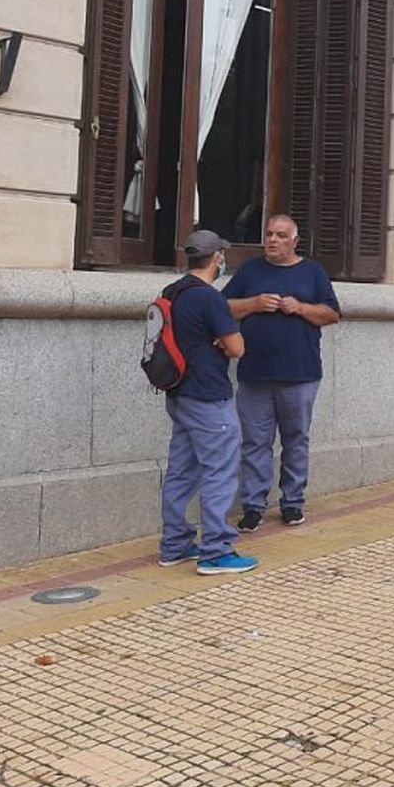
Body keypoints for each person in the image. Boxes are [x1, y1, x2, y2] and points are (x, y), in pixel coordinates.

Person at [224, 214, 341, 531]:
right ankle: (253, 505)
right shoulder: (250, 271)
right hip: (254, 375)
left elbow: (332, 314)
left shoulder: (312, 272)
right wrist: (254, 304)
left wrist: (301, 308)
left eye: (280, 235)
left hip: (300, 375)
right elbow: (223, 308)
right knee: (254, 443)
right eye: (269, 234)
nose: (272, 240)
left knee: (296, 440)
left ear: (294, 241)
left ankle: (292, 503)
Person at [156, 230, 258, 575]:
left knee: (181, 470)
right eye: (222, 256)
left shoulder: (173, 291)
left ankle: (175, 544)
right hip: (209, 396)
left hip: (179, 393)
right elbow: (237, 348)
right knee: (220, 471)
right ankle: (215, 551)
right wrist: (224, 339)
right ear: (217, 258)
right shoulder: (209, 298)